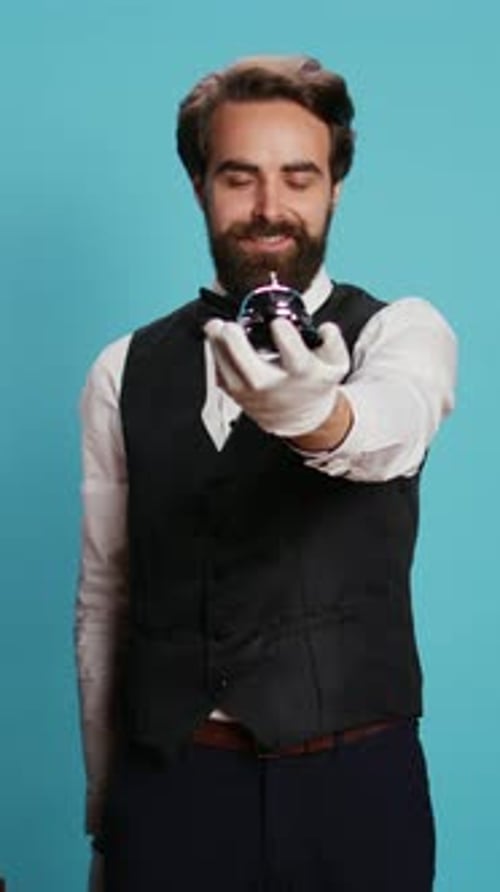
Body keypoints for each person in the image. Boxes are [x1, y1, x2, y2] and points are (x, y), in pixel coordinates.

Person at [76, 55, 457, 892]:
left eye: (299, 177)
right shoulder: (121, 370)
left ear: (335, 188)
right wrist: (107, 812)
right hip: (172, 785)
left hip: (356, 789)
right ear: (199, 184)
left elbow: (392, 429)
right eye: (239, 177)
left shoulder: (403, 332)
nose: (270, 207)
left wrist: (311, 413)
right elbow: (106, 600)